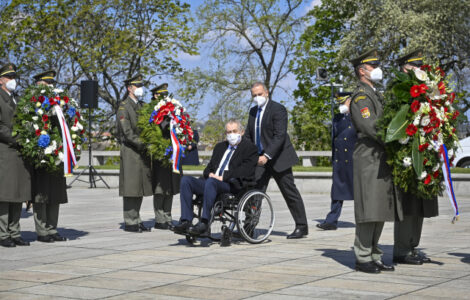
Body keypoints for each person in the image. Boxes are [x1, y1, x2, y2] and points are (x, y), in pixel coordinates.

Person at [349, 49, 402, 273]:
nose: (378, 69)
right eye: (373, 65)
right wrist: (396, 139)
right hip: (369, 157)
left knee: (379, 209)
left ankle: (374, 254)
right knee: (368, 209)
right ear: (362, 70)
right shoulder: (361, 97)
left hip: (380, 158)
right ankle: (362, 257)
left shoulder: (375, 93)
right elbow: (370, 127)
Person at [245, 82, 308, 239]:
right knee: (254, 192)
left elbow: (279, 136)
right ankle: (249, 226)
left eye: (259, 94)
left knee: (289, 192)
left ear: (266, 93)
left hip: (278, 158)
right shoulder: (253, 112)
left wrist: (267, 155)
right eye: (254, 95)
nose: (257, 97)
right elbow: (249, 134)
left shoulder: (278, 109)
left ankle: (302, 226)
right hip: (259, 160)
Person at [173, 119, 258, 235]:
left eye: (234, 131)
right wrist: (210, 174)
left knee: (211, 182)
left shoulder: (250, 148)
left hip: (230, 184)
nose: (231, 134)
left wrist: (223, 177)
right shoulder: (220, 147)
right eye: (228, 132)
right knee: (186, 180)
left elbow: (245, 170)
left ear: (241, 132)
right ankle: (186, 220)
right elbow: (208, 168)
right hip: (211, 181)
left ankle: (204, 221)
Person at [393, 50, 438, 265]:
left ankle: (412, 246)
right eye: (414, 66)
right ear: (404, 68)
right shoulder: (399, 91)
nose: (419, 70)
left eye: (420, 66)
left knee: (420, 205)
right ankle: (402, 249)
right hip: (407, 156)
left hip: (424, 154)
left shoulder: (425, 91)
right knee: (409, 205)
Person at [31, 70, 68, 243]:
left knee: (56, 193)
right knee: (42, 193)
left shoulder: (59, 103)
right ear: (39, 84)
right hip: (42, 152)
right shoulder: (32, 102)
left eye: (52, 82)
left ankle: (52, 229)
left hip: (58, 152)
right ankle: (42, 230)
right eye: (47, 83)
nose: (51, 85)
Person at [116, 74, 153, 233]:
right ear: (129, 88)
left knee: (139, 187)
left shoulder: (142, 106)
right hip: (131, 151)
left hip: (142, 151)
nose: (140, 89)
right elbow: (127, 132)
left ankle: (137, 218)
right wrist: (144, 143)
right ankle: (130, 221)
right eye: (136, 86)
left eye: (140, 86)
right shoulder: (124, 107)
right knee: (131, 187)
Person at [0, 62, 31, 247]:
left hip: (19, 154)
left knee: (18, 194)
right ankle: (3, 234)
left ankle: (15, 231)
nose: (13, 81)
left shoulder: (17, 99)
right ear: (1, 80)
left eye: (14, 78)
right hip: (5, 151)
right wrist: (18, 138)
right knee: (5, 195)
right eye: (10, 78)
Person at [317, 92, 357, 231]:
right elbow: (335, 139)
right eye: (339, 103)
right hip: (340, 160)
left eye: (343, 102)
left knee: (359, 192)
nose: (341, 105)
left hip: (354, 160)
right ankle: (331, 221)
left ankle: (364, 220)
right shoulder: (337, 118)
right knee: (336, 192)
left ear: (351, 102)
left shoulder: (358, 117)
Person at [149, 83, 182, 230]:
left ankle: (168, 216)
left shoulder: (173, 110)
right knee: (160, 188)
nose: (165, 97)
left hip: (172, 153)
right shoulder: (152, 110)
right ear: (155, 95)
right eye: (161, 94)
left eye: (166, 94)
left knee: (171, 187)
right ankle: (159, 218)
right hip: (160, 154)